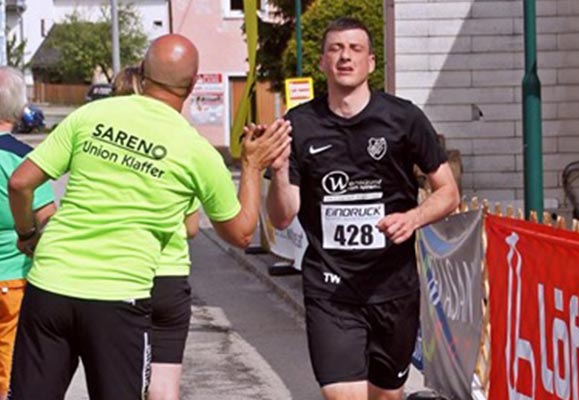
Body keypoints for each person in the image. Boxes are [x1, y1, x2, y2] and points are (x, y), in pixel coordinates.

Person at [8, 34, 290, 400]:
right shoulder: (195, 150)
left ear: (141, 73)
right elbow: (240, 233)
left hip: (51, 285)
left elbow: (20, 183)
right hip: (119, 296)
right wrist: (251, 166)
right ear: (191, 84)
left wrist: (28, 234)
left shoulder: (93, 114)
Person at [265, 17, 460, 400]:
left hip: (393, 286)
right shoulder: (299, 125)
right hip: (330, 286)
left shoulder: (403, 118)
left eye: (355, 49)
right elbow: (282, 215)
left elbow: (448, 192)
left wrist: (413, 218)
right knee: (343, 395)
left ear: (371, 62)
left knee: (386, 394)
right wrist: (280, 169)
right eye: (335, 49)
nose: (345, 57)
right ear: (322, 62)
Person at [112, 64, 201, 400]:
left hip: (115, 275)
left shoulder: (104, 147)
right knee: (163, 385)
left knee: (116, 377)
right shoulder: (178, 144)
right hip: (167, 274)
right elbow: (193, 228)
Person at [0, 67, 56, 400]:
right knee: (9, 364)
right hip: (14, 279)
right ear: (20, 108)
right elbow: (47, 218)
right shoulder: (24, 159)